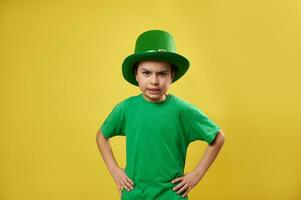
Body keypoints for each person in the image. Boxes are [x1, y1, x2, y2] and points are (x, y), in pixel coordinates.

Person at [96, 29, 226, 200]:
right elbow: (101, 136)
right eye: (146, 73)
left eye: (162, 73)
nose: (154, 81)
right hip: (135, 194)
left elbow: (218, 137)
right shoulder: (126, 108)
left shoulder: (183, 111)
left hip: (171, 196)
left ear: (172, 76)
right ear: (136, 75)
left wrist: (196, 175)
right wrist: (115, 171)